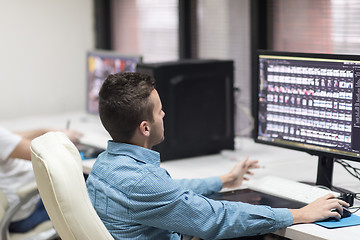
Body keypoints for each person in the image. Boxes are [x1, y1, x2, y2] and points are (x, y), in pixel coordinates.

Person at [86, 72, 349, 240]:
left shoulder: (105, 165)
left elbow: (171, 194)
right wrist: (299, 214)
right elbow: (215, 219)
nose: (164, 115)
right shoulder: (142, 181)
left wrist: (224, 180)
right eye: (159, 112)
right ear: (145, 128)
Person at [0, 126, 82, 233]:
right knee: (85, 181)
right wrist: (63, 139)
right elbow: (44, 154)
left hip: (15, 210)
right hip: (24, 212)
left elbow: (11, 136)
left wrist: (44, 132)